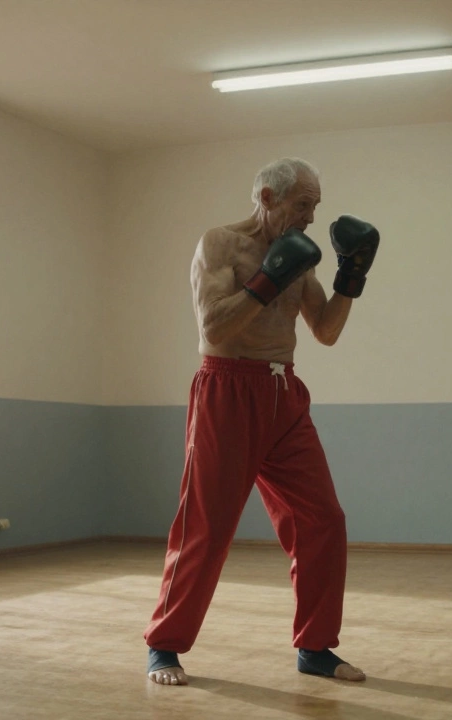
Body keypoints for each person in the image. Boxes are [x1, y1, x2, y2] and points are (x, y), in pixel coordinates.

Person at [143, 157, 380, 686]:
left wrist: (351, 276)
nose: (311, 219)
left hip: (283, 394)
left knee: (323, 518)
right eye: (303, 205)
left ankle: (315, 646)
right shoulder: (221, 244)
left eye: (315, 207)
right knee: (207, 526)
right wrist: (269, 279)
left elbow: (325, 330)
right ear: (268, 198)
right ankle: (164, 644)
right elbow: (215, 326)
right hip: (226, 388)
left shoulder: (301, 255)